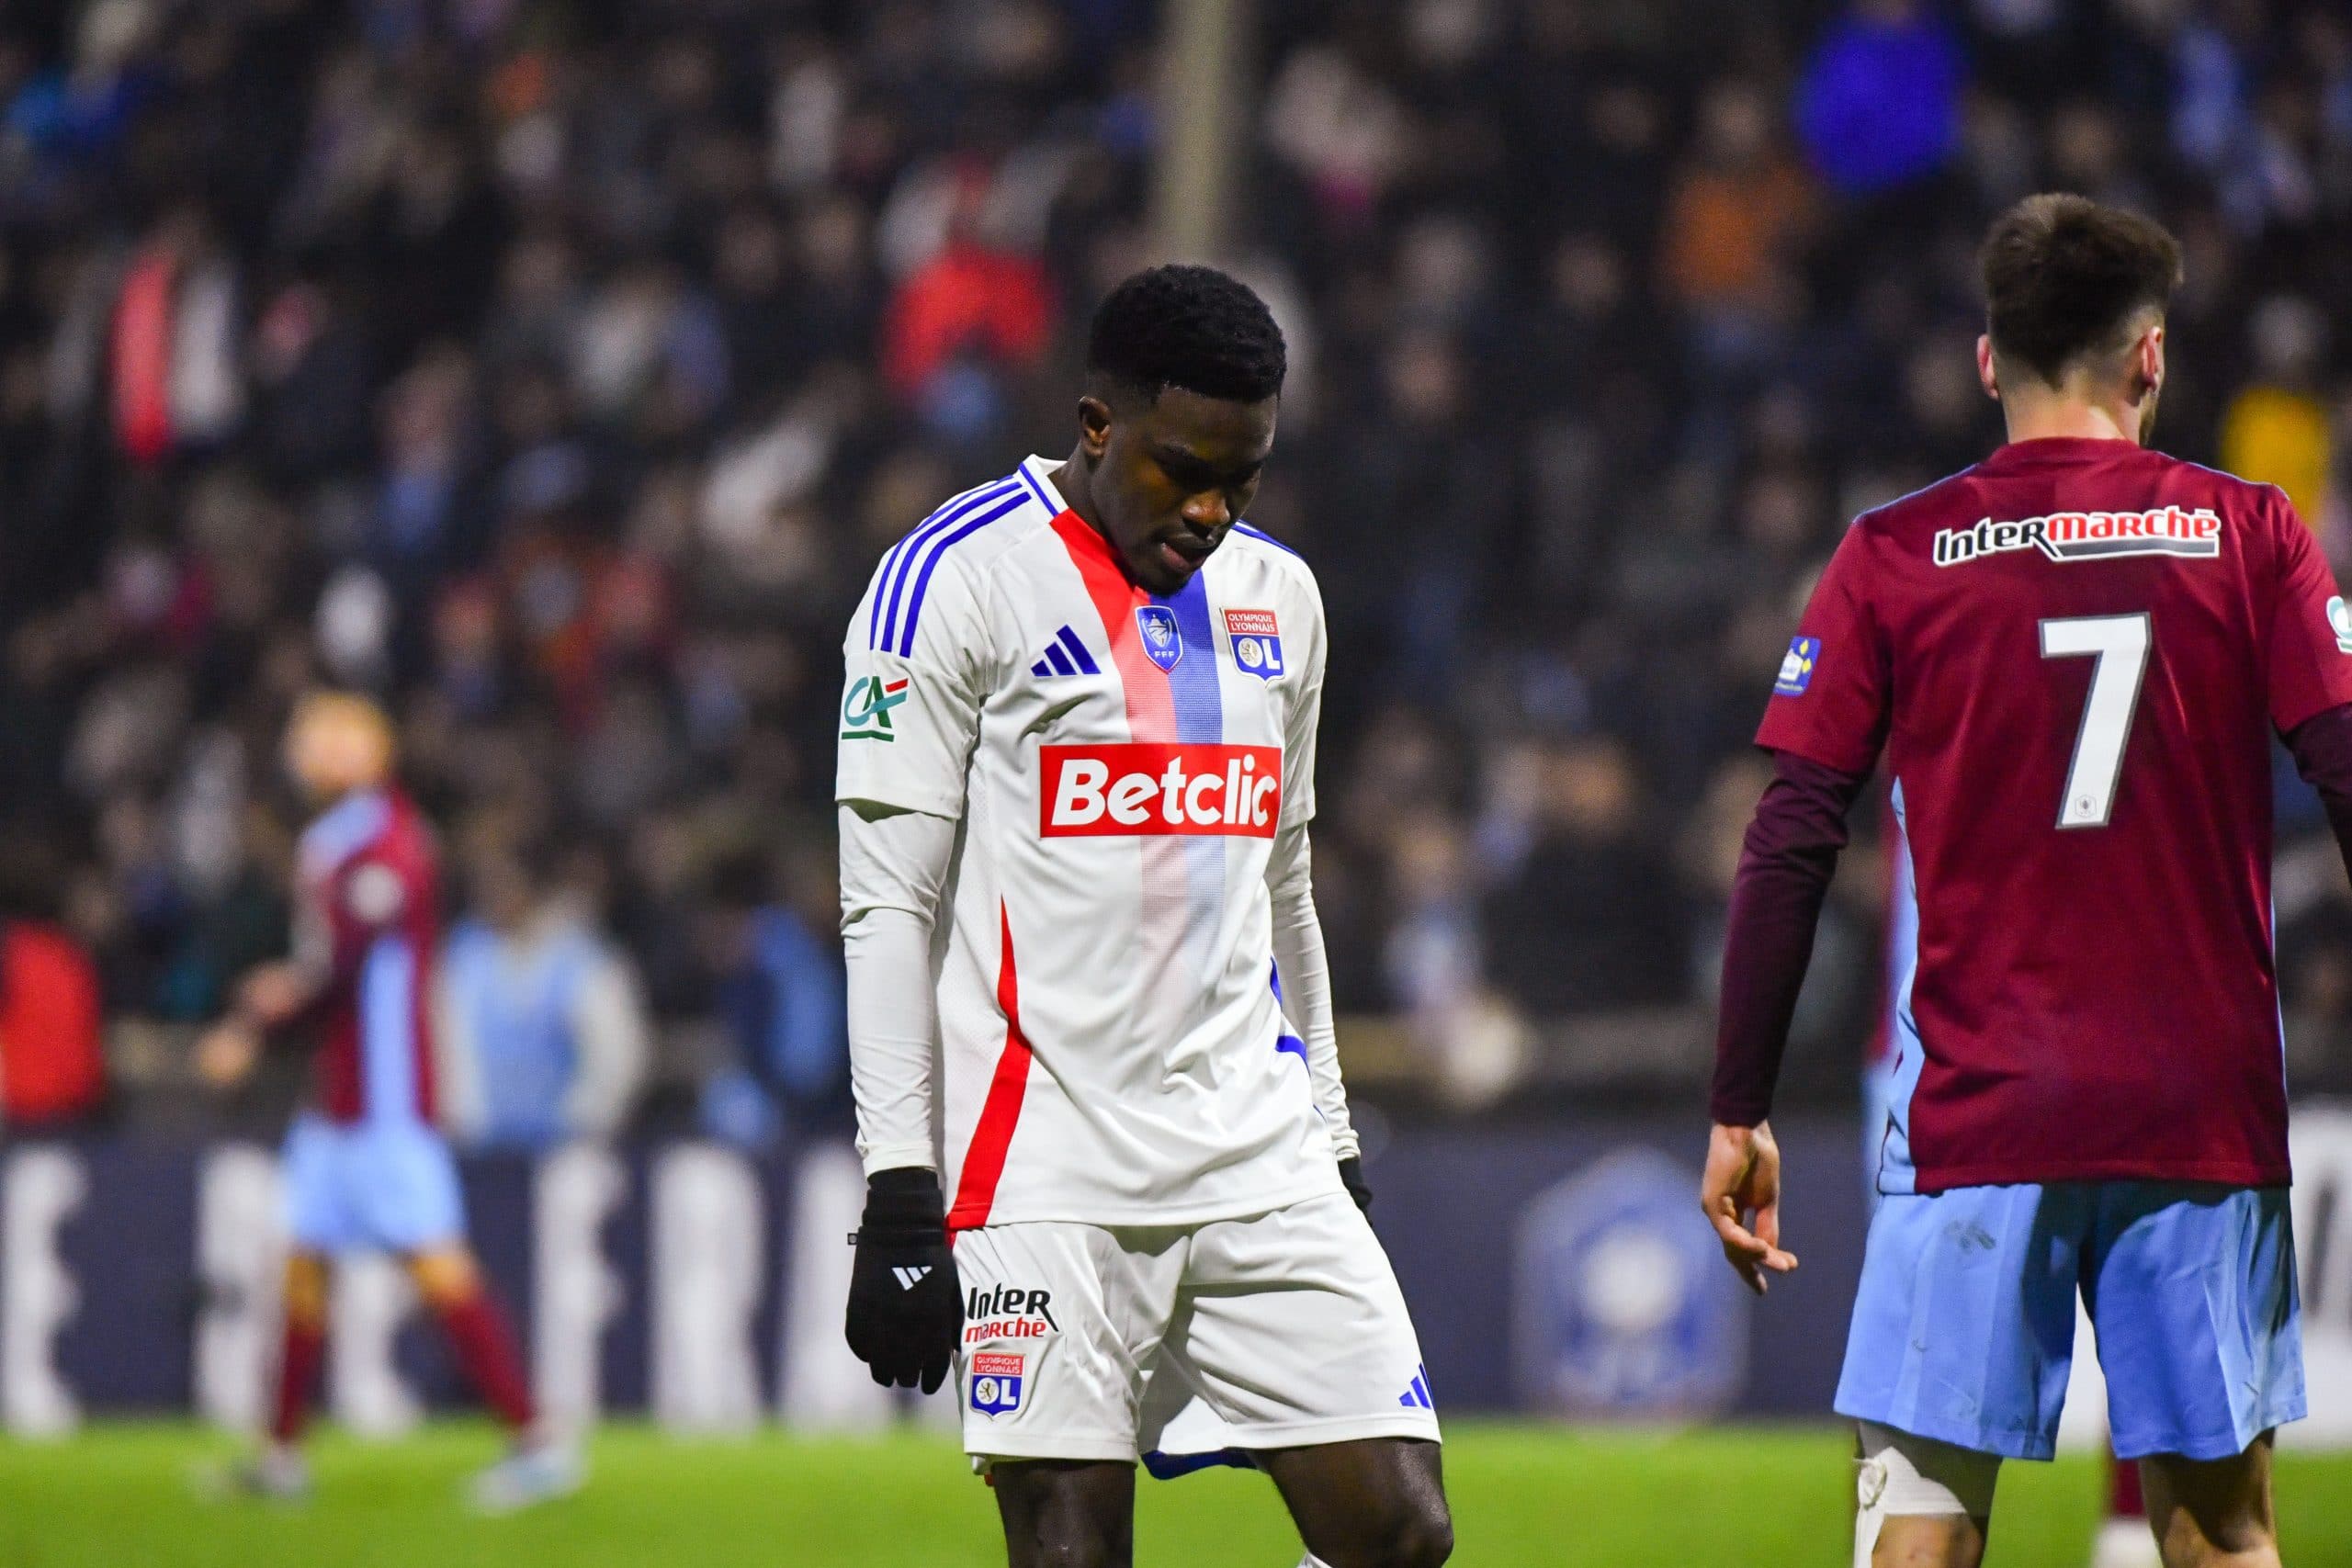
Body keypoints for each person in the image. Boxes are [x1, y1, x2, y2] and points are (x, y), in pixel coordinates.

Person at [1702, 192, 2349, 1568]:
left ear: (1989, 361)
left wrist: (1739, 1100)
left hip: (1976, 1115)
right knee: (2223, 1535)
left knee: (1920, 1539)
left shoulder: (1892, 553)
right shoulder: (2254, 534)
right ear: (2152, 358)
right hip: (2199, 1107)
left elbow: (1793, 831)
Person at [835, 265, 1452, 1568]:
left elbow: (1284, 880)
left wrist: (1330, 1129)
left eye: (1247, 478)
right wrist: (901, 1187)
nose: (1215, 510)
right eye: (1184, 469)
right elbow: (887, 901)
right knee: (1070, 1554)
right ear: (1097, 425)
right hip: (1041, 1157)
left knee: (1398, 1531)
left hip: (1253, 1147)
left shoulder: (1281, 600)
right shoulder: (948, 582)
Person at [197, 693, 580, 1510]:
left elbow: (339, 968)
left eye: (327, 737)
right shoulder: (339, 843)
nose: (308, 750)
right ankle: (279, 1454)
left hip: (386, 1099)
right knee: (303, 1262)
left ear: (367, 752)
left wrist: (258, 1018)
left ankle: (537, 1440)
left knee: (437, 1264)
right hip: (340, 1100)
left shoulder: (387, 845)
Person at [435, 840, 650, 1151]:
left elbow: (616, 1058)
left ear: (531, 886)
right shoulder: (465, 959)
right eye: (484, 884)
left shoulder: (583, 960)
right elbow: (450, 1052)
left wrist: (581, 1126)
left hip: (569, 1145)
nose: (491, 894)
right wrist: (466, 1128)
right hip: (484, 1146)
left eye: (503, 882)